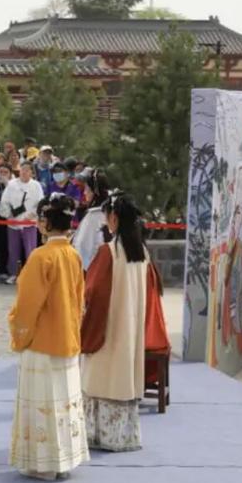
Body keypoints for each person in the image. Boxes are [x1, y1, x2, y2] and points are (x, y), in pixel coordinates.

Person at [7, 194, 90, 481]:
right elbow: (79, 300)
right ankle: (64, 459)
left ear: (46, 223)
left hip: (42, 341)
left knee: (42, 400)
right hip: (66, 336)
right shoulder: (73, 255)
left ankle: (42, 463)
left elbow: (28, 305)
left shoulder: (41, 256)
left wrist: (19, 332)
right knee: (63, 401)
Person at [80, 193, 170, 452]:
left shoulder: (108, 252)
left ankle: (98, 435)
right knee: (123, 379)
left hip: (107, 330)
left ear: (114, 218)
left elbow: (93, 292)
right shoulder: (141, 253)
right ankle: (124, 436)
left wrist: (84, 324)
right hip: (131, 332)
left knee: (100, 377)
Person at [0, 162, 44, 281]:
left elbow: (40, 203)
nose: (24, 172)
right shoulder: (12, 184)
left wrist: (32, 214)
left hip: (29, 222)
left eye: (27, 170)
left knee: (30, 250)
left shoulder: (36, 185)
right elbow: (4, 201)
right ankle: (13, 273)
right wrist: (9, 215)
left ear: (32, 173)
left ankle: (31, 274)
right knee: (13, 250)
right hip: (13, 222)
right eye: (22, 169)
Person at [72, 168, 111, 271]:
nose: (84, 193)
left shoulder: (93, 217)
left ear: (95, 192)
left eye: (87, 189)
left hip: (93, 272)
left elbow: (82, 247)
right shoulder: (111, 211)